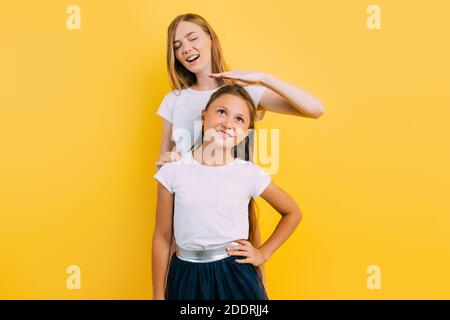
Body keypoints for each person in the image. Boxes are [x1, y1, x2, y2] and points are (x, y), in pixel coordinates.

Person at [152, 84, 302, 300]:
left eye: (239, 119)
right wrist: (158, 295)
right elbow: (162, 238)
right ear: (204, 117)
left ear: (245, 133)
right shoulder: (173, 171)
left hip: (235, 275)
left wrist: (263, 253)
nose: (228, 124)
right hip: (186, 275)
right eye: (222, 112)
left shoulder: (249, 173)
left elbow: (293, 212)